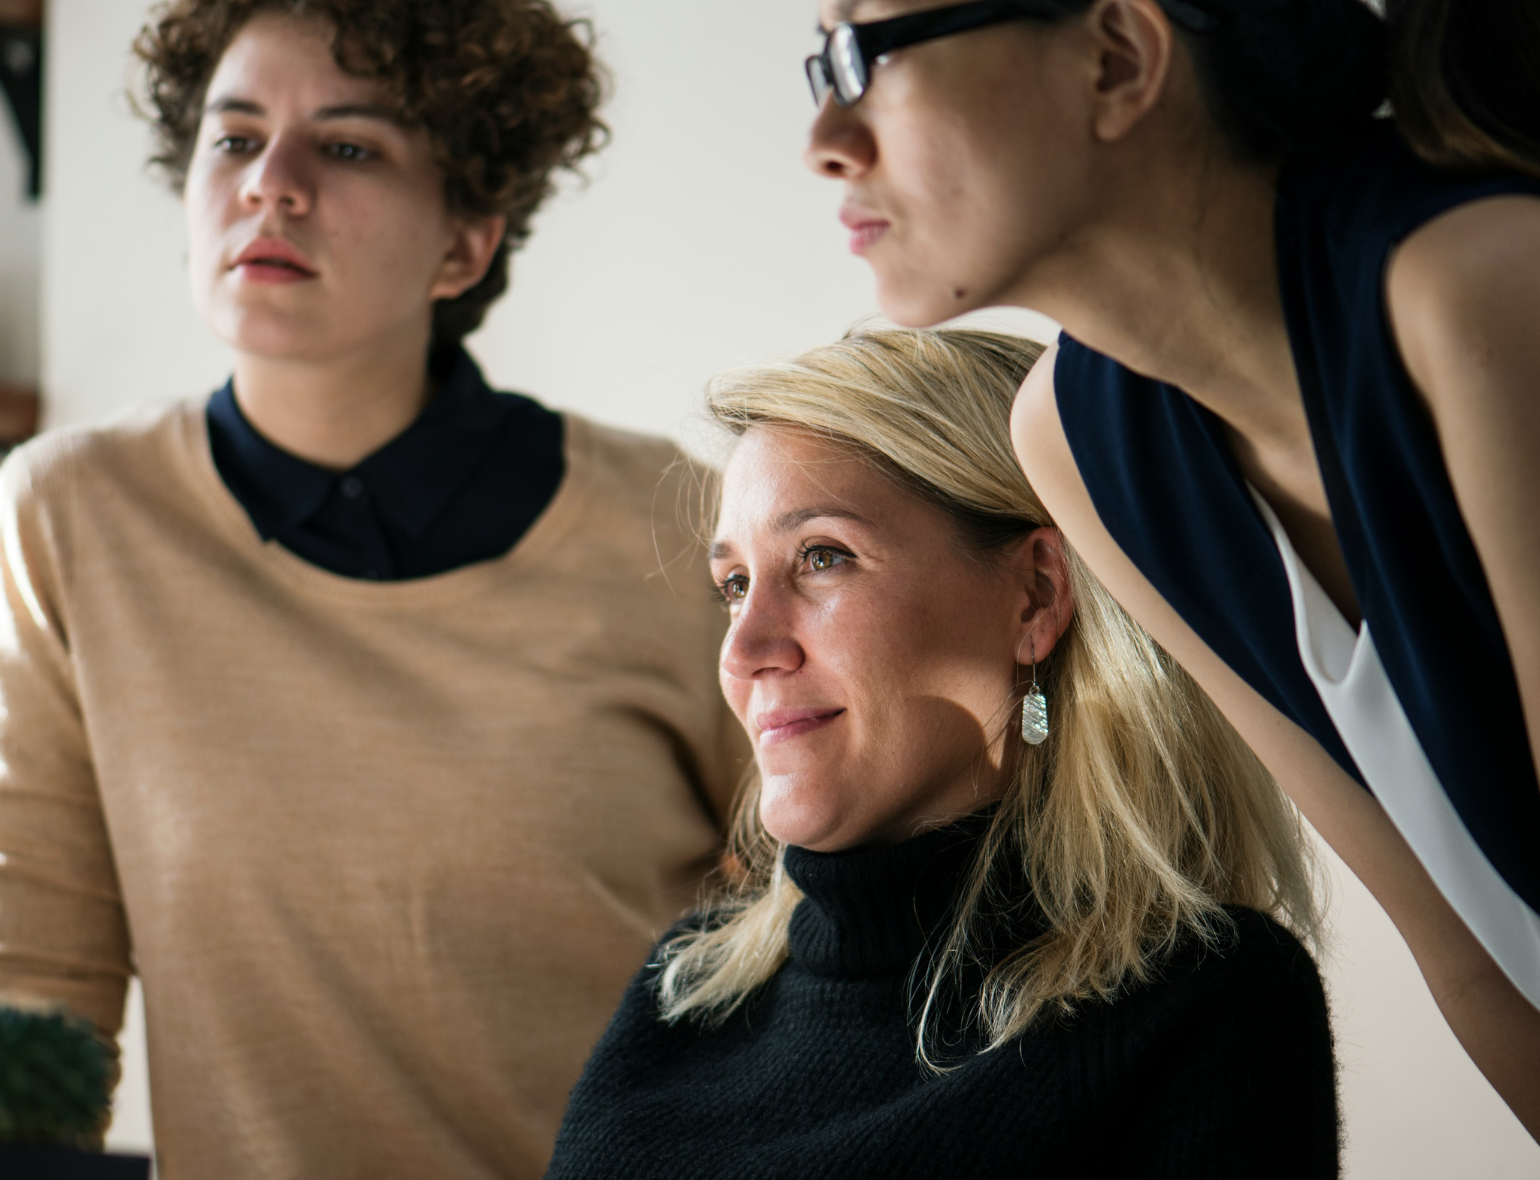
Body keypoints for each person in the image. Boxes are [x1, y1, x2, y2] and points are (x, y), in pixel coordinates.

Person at [798, 0, 1540, 1175]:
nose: (824, 141)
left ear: (1115, 58)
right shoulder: (1073, 440)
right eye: (818, 68)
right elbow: (1470, 954)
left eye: (868, 54)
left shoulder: (1485, 293)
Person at [0, 0, 745, 1176]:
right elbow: (31, 976)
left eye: (349, 145)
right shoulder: (62, 521)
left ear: (466, 242)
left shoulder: (678, 523)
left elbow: (804, 943)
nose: (271, 182)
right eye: (236, 137)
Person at [545, 326, 1338, 1179]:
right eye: (735, 584)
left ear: (1035, 595)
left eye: (821, 558)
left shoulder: (1203, 1005)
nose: (743, 650)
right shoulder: (685, 991)